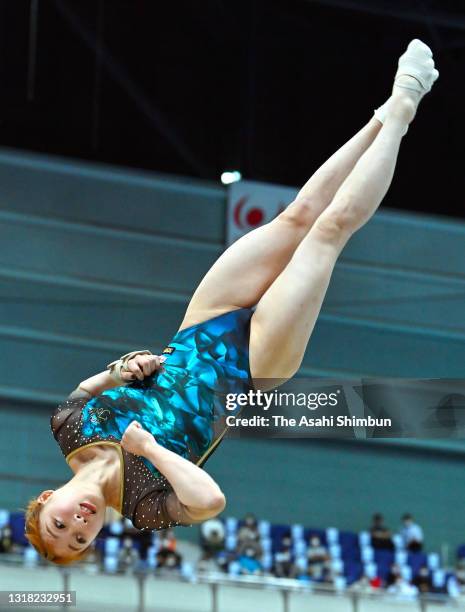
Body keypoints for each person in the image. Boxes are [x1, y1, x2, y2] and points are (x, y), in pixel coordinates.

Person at [23, 39, 439, 565]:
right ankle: (403, 106)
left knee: (298, 214)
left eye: (60, 523)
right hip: (252, 368)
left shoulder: (68, 427)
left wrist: (121, 371)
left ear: (47, 499)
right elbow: (210, 501)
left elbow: (86, 389)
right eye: (80, 539)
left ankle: (381, 117)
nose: (77, 524)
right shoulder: (145, 507)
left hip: (200, 328)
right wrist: (147, 450)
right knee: (327, 233)